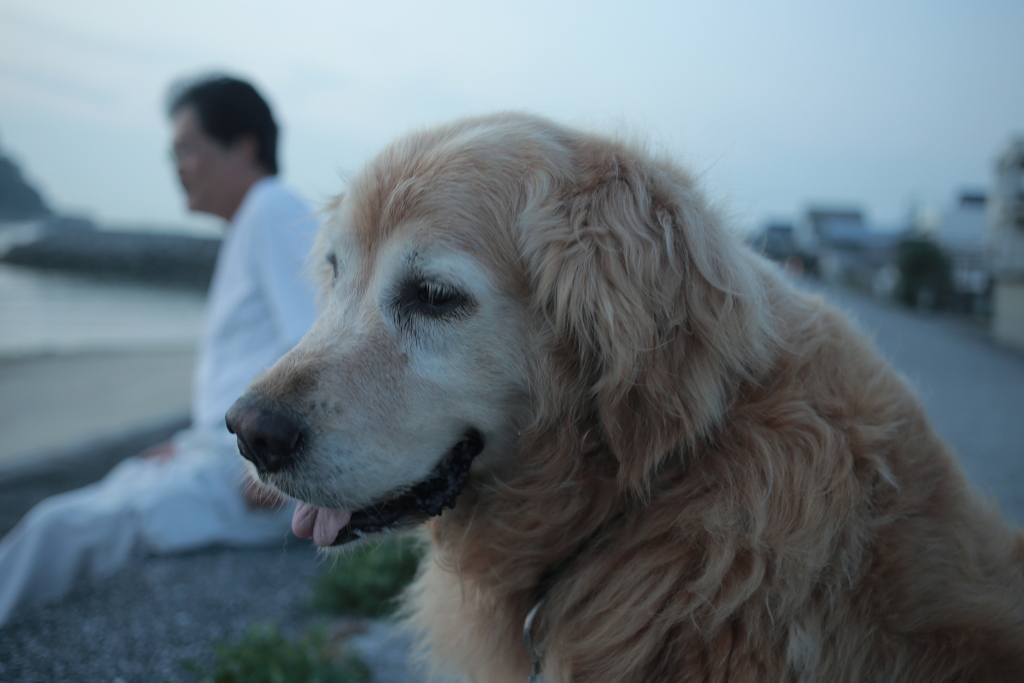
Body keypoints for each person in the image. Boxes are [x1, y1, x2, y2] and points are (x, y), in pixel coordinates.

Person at [0, 75, 317, 625]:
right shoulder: (252, 222)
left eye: (188, 150)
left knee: (61, 527)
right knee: (75, 509)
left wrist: (277, 478)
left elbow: (313, 345)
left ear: (242, 146)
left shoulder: (270, 207)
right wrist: (189, 440)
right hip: (218, 456)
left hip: (249, 477)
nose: (178, 167)